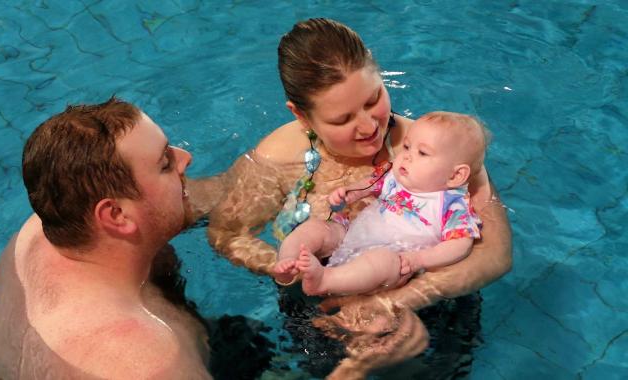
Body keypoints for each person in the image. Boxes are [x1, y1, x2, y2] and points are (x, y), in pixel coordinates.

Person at [197, 18, 511, 378]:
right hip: (322, 305)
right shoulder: (277, 157)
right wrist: (287, 268)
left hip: (428, 303)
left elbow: (496, 254)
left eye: (373, 99)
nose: (369, 126)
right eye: (343, 119)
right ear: (301, 116)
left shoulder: (438, 149)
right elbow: (228, 233)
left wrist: (391, 303)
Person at [0, 98, 212, 379]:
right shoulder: (148, 363)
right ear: (116, 214)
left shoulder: (35, 232)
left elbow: (171, 206)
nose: (185, 158)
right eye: (165, 163)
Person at [275, 111, 487, 296]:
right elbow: (370, 183)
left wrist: (419, 260)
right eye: (406, 146)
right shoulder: (394, 174)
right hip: (351, 235)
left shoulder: (452, 204)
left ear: (456, 175)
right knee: (316, 228)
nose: (407, 157)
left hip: (394, 256)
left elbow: (460, 245)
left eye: (422, 153)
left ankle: (325, 280)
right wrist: (350, 193)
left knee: (382, 262)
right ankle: (287, 262)